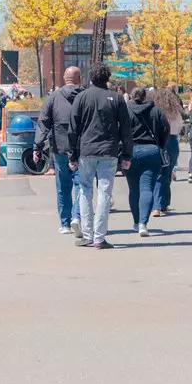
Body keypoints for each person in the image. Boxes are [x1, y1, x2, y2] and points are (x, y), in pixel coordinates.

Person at [70, 65, 129, 249]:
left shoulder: (82, 97)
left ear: (91, 78)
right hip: (109, 151)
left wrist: (72, 155)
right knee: (104, 192)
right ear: (107, 78)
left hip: (86, 150)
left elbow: (73, 128)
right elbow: (126, 129)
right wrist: (127, 154)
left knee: (85, 190)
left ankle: (87, 234)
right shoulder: (117, 98)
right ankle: (99, 237)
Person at [38, 67, 85, 236]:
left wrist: (38, 144)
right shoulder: (85, 95)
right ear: (79, 78)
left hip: (59, 146)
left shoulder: (54, 97)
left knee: (63, 186)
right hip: (81, 148)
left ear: (64, 78)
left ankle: (64, 223)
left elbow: (43, 121)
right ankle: (77, 217)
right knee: (81, 185)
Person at [125, 86, 171, 238]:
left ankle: (136, 221)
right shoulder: (155, 110)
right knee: (147, 188)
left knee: (133, 189)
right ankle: (143, 223)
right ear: (145, 96)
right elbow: (165, 128)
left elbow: (119, 130)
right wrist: (161, 144)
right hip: (151, 150)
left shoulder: (126, 110)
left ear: (131, 96)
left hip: (130, 151)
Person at [152, 83, 185, 216]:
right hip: (172, 141)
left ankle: (157, 205)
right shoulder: (175, 111)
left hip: (159, 141)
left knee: (159, 173)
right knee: (167, 172)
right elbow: (179, 126)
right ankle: (164, 202)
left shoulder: (155, 111)